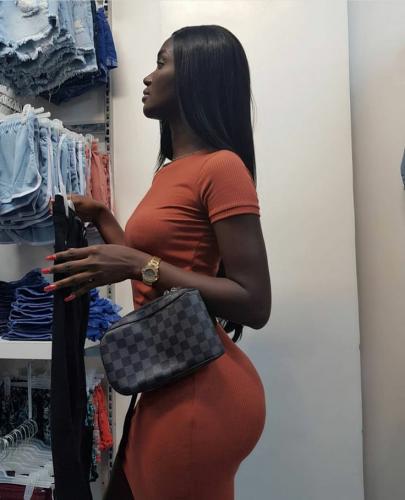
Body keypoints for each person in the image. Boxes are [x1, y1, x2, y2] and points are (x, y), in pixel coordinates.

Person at [43, 25, 271, 500]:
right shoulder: (170, 172)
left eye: (161, 63)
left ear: (196, 76)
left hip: (200, 394)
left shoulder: (222, 167)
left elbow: (254, 302)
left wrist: (136, 263)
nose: (147, 77)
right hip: (167, 377)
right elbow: (155, 279)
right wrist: (103, 218)